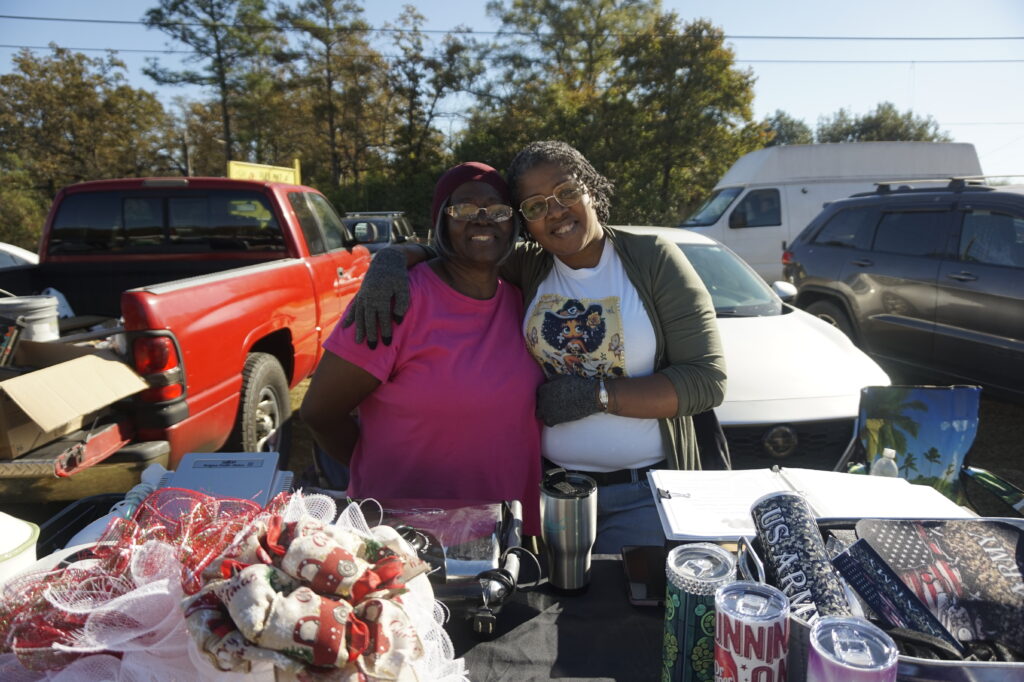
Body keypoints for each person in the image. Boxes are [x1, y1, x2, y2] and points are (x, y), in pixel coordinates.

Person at [345, 142, 726, 553]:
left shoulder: (653, 260)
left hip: (642, 496)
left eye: (566, 193)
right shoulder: (527, 265)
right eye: (536, 206)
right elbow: (457, 249)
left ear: (592, 190)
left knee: (625, 612)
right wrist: (393, 259)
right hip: (547, 494)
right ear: (525, 223)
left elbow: (706, 380)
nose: (556, 212)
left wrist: (598, 396)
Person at [301, 162, 543, 535]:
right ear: (441, 222)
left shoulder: (523, 301)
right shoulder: (398, 299)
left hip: (506, 531)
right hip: (404, 536)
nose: (483, 220)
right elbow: (320, 412)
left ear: (513, 224)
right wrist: (381, 471)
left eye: (498, 210)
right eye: (463, 209)